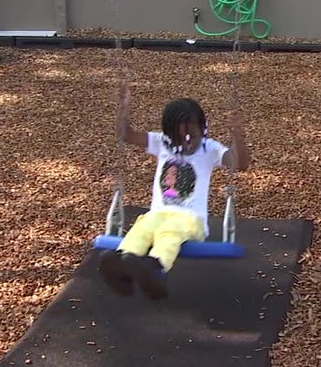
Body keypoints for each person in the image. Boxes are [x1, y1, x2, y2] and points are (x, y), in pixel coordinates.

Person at [98, 89, 250, 300]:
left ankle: (155, 269)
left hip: (191, 220)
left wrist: (238, 135)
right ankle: (123, 263)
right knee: (142, 228)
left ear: (204, 130)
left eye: (192, 136)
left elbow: (240, 164)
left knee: (170, 231)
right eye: (180, 138)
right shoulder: (161, 142)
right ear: (169, 134)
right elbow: (125, 134)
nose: (187, 142)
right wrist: (123, 110)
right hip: (157, 213)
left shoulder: (210, 149)